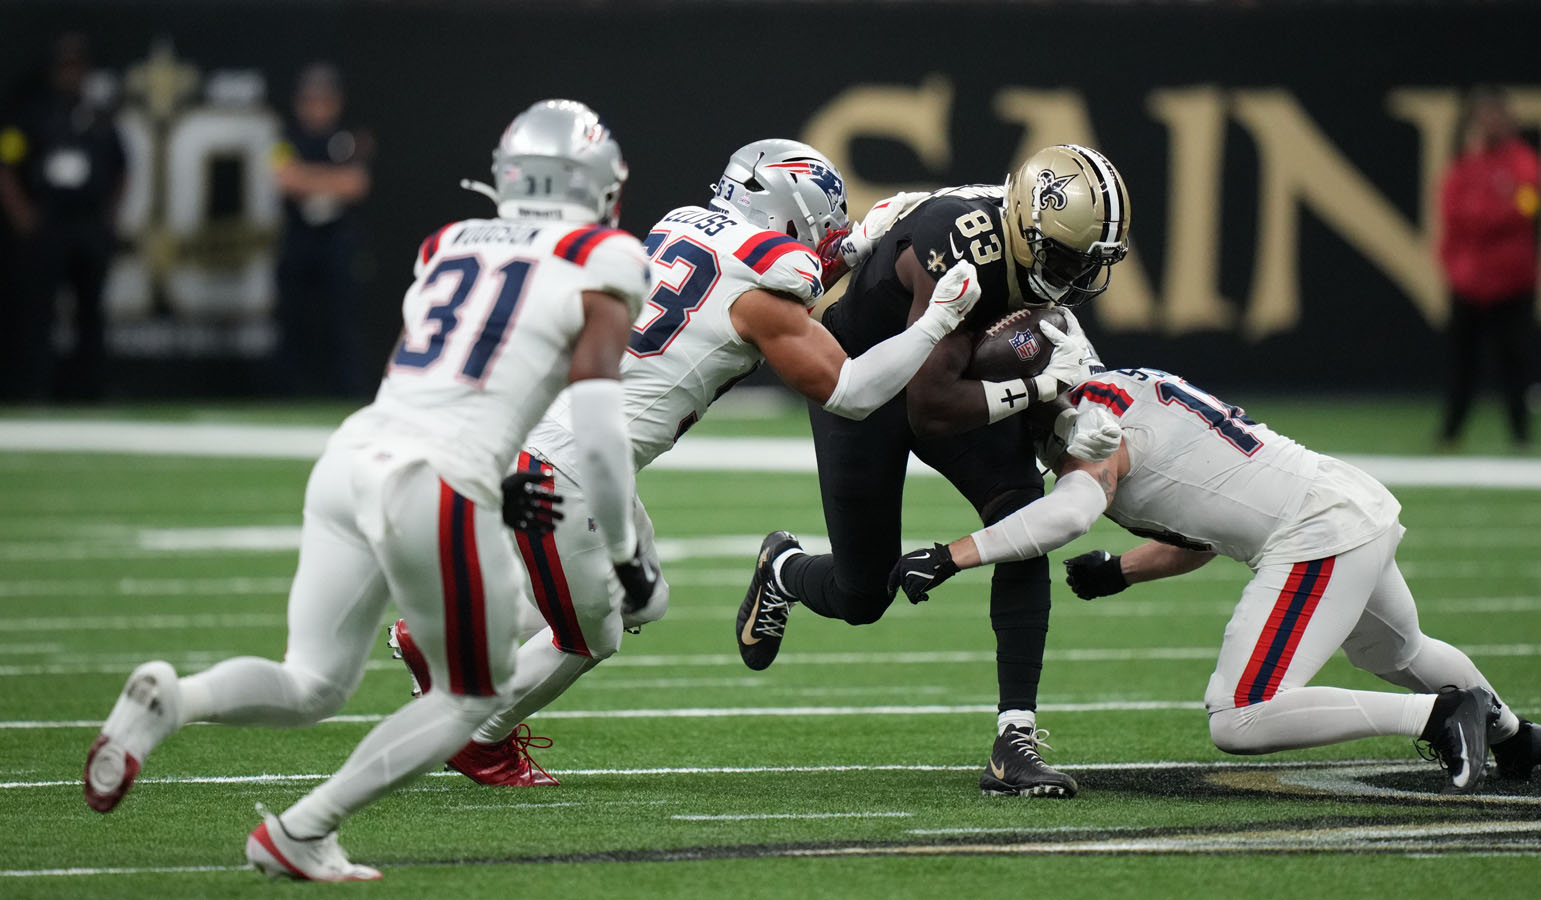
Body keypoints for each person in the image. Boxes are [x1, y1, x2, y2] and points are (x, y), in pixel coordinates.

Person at [83, 100, 658, 881]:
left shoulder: (446, 242)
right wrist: (627, 557)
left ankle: (175, 700)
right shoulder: (606, 255)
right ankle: (302, 830)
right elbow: (595, 423)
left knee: (312, 681)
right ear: (593, 183)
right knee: (469, 697)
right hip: (433, 479)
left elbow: (438, 379)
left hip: (354, 454)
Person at [387, 139, 983, 786]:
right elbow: (852, 392)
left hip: (535, 433)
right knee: (595, 632)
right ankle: (479, 737)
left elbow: (757, 300)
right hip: (571, 465)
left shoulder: (681, 227)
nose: (832, 232)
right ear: (791, 214)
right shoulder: (764, 285)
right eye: (826, 221)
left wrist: (852, 249)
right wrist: (935, 322)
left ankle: (447, 641)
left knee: (639, 600)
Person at [890, 364, 1541, 793]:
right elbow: (1206, 531)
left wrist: (953, 555)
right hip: (1340, 503)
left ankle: (1442, 714)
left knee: (1240, 713)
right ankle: (1513, 735)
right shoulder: (1124, 387)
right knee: (1401, 651)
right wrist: (1122, 572)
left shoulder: (1091, 420)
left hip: (1314, 533)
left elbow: (1068, 514)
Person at [740, 144, 1132, 798]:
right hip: (862, 386)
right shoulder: (962, 242)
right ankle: (781, 569)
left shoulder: (1022, 225)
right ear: (1028, 232)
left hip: (950, 382)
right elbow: (931, 409)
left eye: (1089, 263)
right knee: (864, 596)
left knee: (1022, 518)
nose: (1074, 279)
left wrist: (1071, 403)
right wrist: (1039, 391)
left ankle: (1015, 740)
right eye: (1066, 260)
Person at [0, 34, 126, 402]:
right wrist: (21, 212)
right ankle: (34, 387)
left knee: (91, 311)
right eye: (65, 67)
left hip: (87, 225)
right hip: (48, 224)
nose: (72, 74)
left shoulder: (99, 117)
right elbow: (6, 164)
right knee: (38, 312)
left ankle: (90, 389)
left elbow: (122, 168)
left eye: (78, 67)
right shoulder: (30, 112)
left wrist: (111, 215)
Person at [1436, 86, 1541, 450]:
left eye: (1494, 115)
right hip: (1469, 280)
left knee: (1514, 358)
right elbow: (1450, 213)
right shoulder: (1465, 166)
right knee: (1461, 362)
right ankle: (1451, 431)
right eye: (1483, 116)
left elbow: (1525, 208)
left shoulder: (1523, 162)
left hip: (1511, 280)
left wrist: (1482, 215)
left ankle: (1521, 434)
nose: (1489, 123)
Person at [272, 64, 373, 397]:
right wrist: (329, 180)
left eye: (323, 100)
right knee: (294, 321)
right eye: (310, 100)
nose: (317, 108)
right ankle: (291, 393)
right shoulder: (287, 136)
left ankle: (347, 392)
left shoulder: (349, 137)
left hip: (337, 241)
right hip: (299, 240)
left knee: (341, 321)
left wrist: (307, 179)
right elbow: (284, 179)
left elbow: (355, 184)